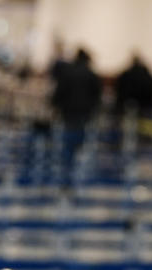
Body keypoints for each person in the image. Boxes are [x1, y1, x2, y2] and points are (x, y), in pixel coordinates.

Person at [51, 47, 102, 183]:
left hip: (68, 111)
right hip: (84, 112)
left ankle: (67, 166)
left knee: (68, 138)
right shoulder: (91, 74)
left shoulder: (68, 72)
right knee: (79, 137)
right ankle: (76, 165)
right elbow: (97, 95)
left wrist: (55, 105)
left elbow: (60, 91)